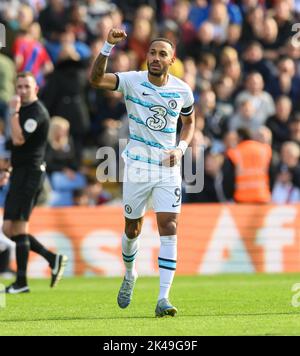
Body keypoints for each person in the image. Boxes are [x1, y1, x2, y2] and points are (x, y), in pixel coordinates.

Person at [90, 29, 195, 317]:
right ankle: (130, 273)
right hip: (136, 167)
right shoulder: (132, 81)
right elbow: (96, 79)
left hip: (167, 168)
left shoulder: (183, 90)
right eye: (152, 53)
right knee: (131, 229)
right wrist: (108, 45)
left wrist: (181, 149)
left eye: (163, 54)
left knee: (169, 227)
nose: (156, 58)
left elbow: (189, 124)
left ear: (172, 60)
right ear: (146, 56)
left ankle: (163, 298)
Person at [3, 72, 68, 294]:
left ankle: (21, 282)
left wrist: (12, 111)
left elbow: (20, 139)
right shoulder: (23, 111)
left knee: (19, 227)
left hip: (31, 174)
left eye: (26, 87)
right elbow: (15, 145)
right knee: (8, 228)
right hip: (20, 172)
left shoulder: (36, 112)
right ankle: (52, 258)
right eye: (19, 86)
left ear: (36, 89)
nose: (22, 91)